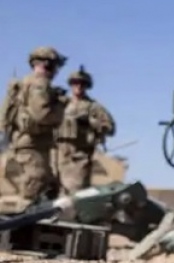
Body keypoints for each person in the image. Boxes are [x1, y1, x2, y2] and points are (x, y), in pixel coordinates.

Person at [1, 47, 68, 202]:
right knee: (35, 188)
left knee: (49, 187)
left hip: (27, 145)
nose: (56, 71)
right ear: (47, 64)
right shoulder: (40, 84)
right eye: (55, 66)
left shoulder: (25, 82)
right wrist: (61, 106)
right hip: (32, 146)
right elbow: (42, 116)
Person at [56, 65, 116, 195]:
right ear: (71, 85)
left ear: (87, 86)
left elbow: (110, 127)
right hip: (58, 154)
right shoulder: (62, 104)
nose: (78, 86)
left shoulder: (93, 107)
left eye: (82, 84)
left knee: (76, 193)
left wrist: (90, 122)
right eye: (75, 83)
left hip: (79, 156)